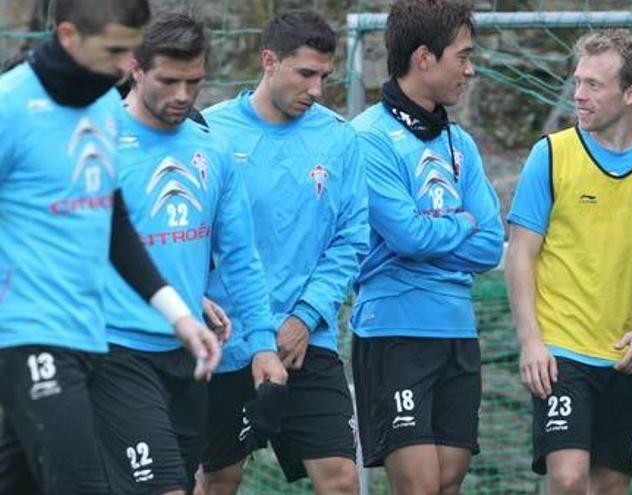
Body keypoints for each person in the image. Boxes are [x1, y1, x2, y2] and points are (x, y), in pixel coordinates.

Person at [0, 1, 221, 494]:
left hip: (87, 333)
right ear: (68, 36)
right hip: (28, 332)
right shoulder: (10, 106)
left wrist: (178, 314)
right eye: (115, 51)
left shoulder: (103, 105)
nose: (126, 67)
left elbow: (112, 221)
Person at [89, 13, 286, 495]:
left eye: (193, 82)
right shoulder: (96, 143)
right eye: (168, 81)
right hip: (115, 353)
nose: (182, 95)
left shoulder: (211, 152)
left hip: (189, 358)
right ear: (135, 69)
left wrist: (262, 342)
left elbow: (240, 256)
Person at [505, 30, 632, 495]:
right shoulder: (551, 154)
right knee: (567, 479)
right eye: (577, 81)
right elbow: (520, 254)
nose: (579, 95)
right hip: (562, 352)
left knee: (611, 487)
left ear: (631, 94)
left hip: (629, 357)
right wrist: (530, 342)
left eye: (593, 85)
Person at [196, 10, 368, 495]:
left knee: (340, 477)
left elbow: (352, 238)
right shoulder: (211, 133)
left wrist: (305, 315)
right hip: (228, 341)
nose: (316, 90)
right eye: (305, 74)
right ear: (269, 61)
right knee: (219, 478)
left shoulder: (339, 137)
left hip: (305, 340)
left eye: (325, 77)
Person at [349, 0, 504, 493]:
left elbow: (490, 245)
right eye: (461, 56)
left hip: (457, 328)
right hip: (394, 330)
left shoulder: (461, 142)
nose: (470, 67)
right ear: (423, 58)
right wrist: (458, 223)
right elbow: (407, 234)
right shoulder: (367, 137)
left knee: (449, 480)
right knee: (419, 485)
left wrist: (426, 237)